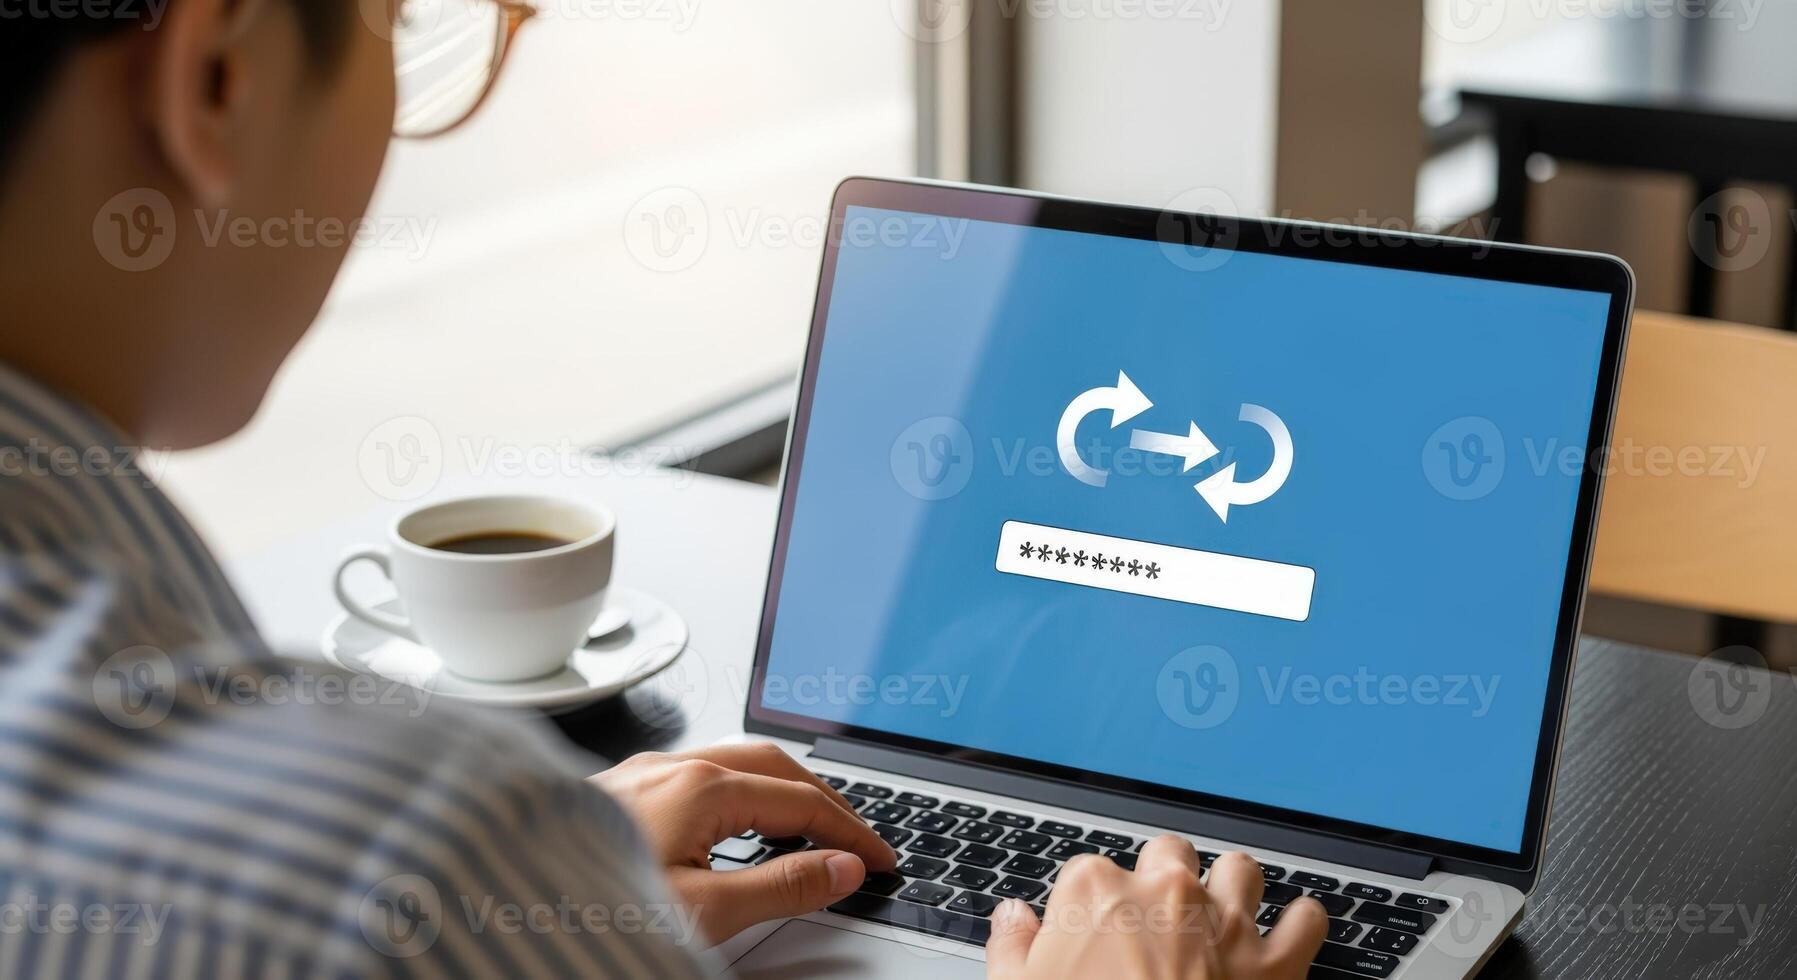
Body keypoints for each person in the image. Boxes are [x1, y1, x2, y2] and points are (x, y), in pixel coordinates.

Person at [0, 1, 1329, 976]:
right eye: (402, 24)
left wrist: (544, 905)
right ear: (217, 76)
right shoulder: (394, 866)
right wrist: (500, 884)